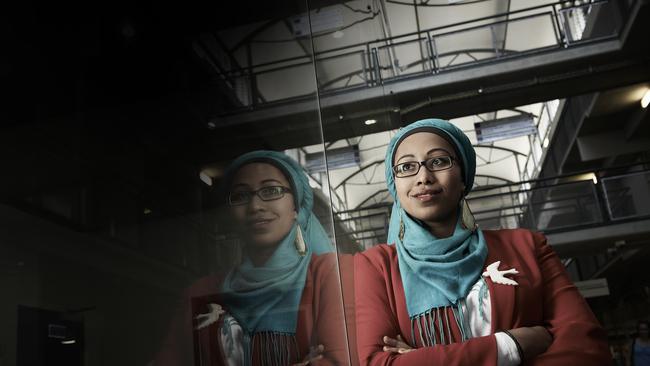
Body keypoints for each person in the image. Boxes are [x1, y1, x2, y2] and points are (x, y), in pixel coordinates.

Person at [354, 118, 610, 365]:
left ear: (463, 177)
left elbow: (587, 349)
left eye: (439, 161)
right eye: (407, 167)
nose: (424, 177)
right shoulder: (375, 267)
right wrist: (510, 345)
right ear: (395, 184)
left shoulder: (528, 246)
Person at [154, 150, 350, 366]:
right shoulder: (201, 294)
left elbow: (342, 359)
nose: (255, 206)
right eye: (240, 196)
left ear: (296, 206)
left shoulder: (330, 277)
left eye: (271, 190)